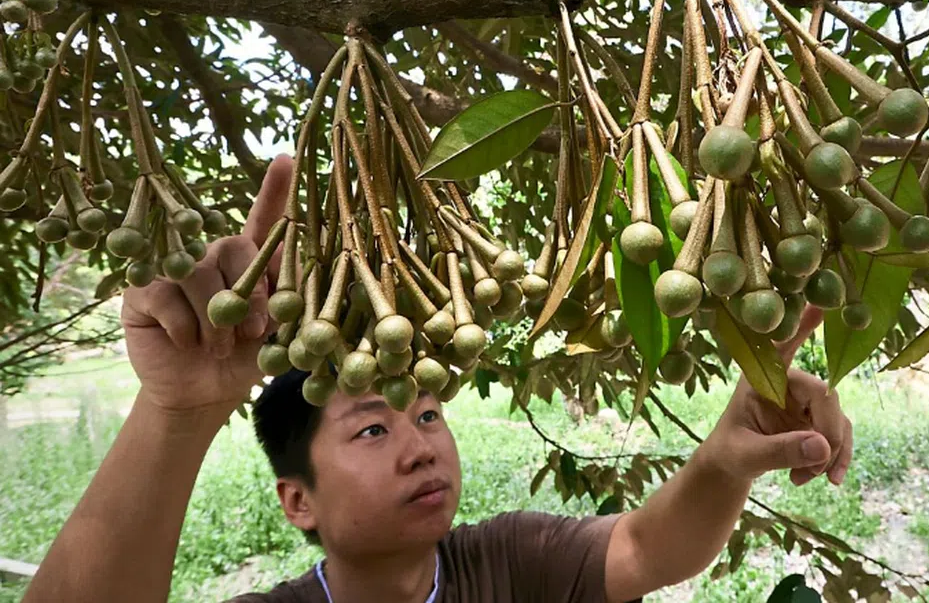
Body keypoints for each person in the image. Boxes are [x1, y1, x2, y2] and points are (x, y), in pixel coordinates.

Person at [23, 155, 853, 603]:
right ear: (296, 500)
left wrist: (726, 454)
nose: (422, 448)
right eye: (374, 429)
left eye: (426, 415)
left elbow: (643, 545)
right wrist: (175, 413)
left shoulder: (510, 563)